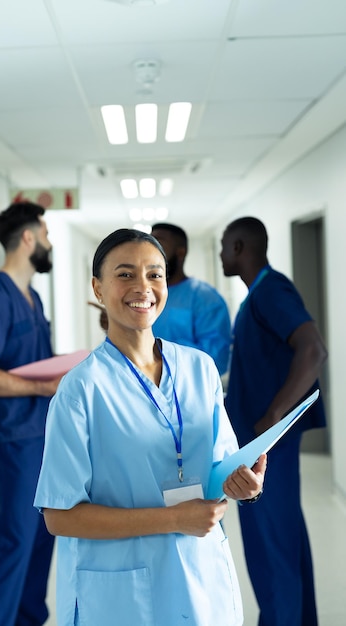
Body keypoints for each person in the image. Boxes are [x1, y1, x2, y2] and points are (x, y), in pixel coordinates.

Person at [34, 228, 266, 626]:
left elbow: (222, 466)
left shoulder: (199, 369)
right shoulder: (80, 391)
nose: (143, 287)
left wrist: (246, 485)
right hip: (121, 591)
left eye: (154, 274)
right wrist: (174, 519)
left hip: (198, 572)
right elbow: (60, 516)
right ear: (98, 288)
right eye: (125, 274)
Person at [220, 216, 328, 626]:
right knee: (285, 545)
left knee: (272, 553)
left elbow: (313, 350)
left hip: (268, 450)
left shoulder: (270, 290)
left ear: (240, 248)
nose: (221, 253)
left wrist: (274, 413)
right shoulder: (257, 296)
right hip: (262, 446)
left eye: (224, 246)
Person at [0, 201, 62, 626]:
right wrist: (43, 386)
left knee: (43, 536)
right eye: (45, 233)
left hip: (42, 433)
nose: (49, 242)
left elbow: (37, 362)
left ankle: (27, 619)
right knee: (15, 540)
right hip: (15, 437)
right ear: (28, 238)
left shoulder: (33, 297)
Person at [151, 222, 231, 375]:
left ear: (180, 252)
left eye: (159, 243)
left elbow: (217, 360)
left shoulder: (205, 298)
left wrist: (161, 349)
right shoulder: (144, 295)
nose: (150, 250)